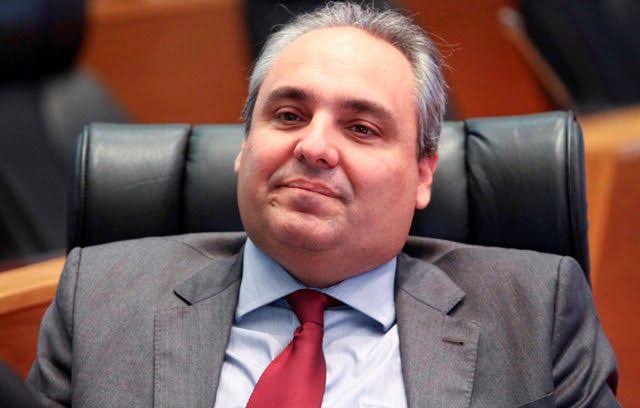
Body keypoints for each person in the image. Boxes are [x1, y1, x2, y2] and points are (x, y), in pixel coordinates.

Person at [27, 2, 619, 407]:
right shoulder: (101, 298)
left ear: (422, 174)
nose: (313, 147)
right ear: (244, 148)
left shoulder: (535, 310)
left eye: (361, 128)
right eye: (288, 116)